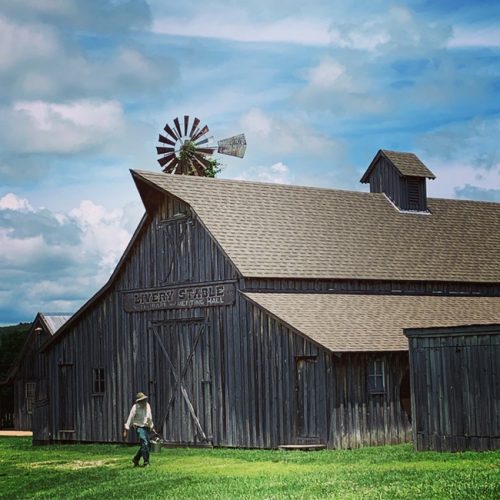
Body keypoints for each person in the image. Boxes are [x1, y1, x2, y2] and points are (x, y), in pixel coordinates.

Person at [123, 392, 155, 467]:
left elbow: (149, 418)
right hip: (139, 427)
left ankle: (136, 459)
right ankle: (146, 462)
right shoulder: (135, 407)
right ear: (139, 401)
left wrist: (152, 427)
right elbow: (130, 419)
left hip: (146, 427)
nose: (144, 401)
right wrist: (126, 430)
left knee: (146, 445)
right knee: (145, 443)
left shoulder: (148, 406)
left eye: (144, 399)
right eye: (142, 400)